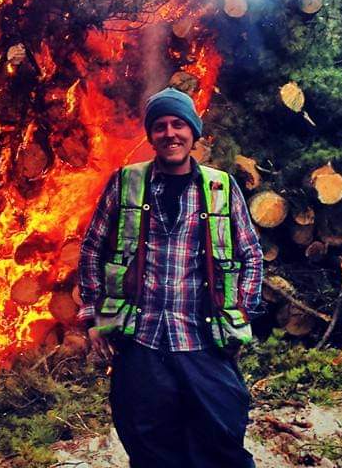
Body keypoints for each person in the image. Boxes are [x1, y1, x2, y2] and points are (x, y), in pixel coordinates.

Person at [77, 87, 264, 468]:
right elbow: (92, 249)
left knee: (222, 440)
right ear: (151, 136)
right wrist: (93, 319)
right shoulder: (125, 183)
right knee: (148, 445)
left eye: (178, 124)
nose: (169, 133)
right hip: (141, 341)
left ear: (194, 133)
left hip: (202, 340)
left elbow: (251, 256)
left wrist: (239, 316)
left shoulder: (220, 188)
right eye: (159, 126)